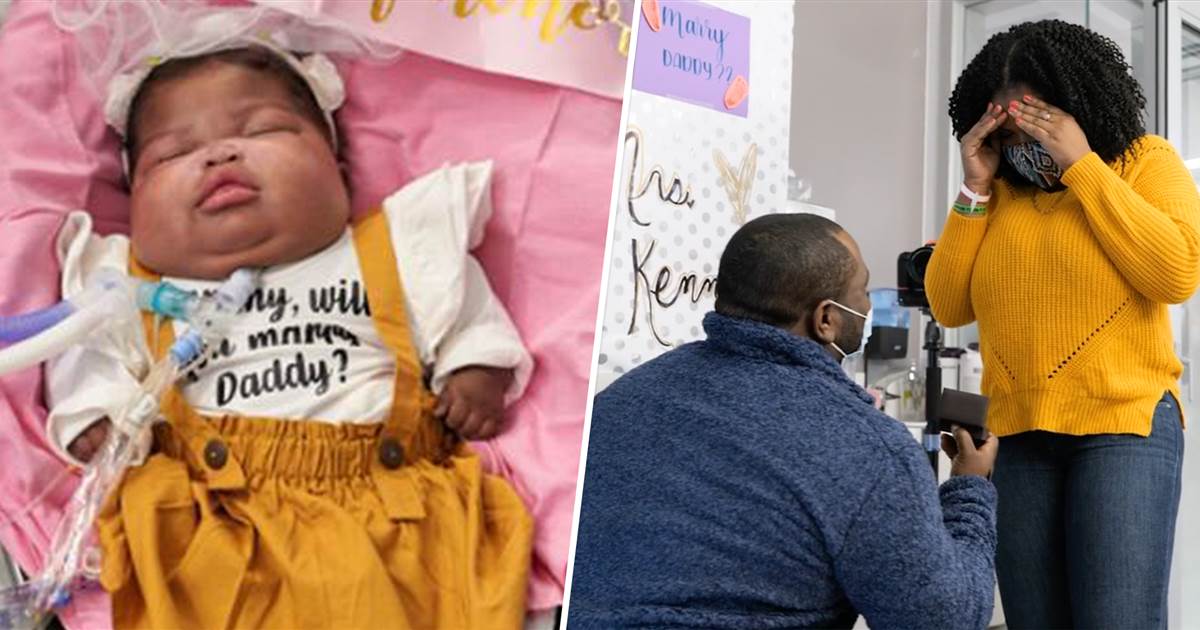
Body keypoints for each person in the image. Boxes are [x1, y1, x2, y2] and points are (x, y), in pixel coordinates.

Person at [44, 36, 534, 628]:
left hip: (395, 514)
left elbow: (463, 309)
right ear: (135, 201)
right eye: (173, 155)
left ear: (338, 167)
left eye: (262, 131)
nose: (219, 155)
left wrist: (476, 369)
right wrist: (96, 415)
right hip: (206, 523)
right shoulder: (125, 283)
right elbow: (82, 356)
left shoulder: (392, 246)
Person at [569, 213, 1000, 629]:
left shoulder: (614, 405)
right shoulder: (867, 447)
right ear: (826, 319)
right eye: (863, 291)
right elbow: (944, 618)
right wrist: (969, 488)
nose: (869, 305)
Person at [926, 19, 1199, 629]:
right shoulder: (999, 194)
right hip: (1020, 436)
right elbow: (949, 304)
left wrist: (1080, 162)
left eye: (1036, 117)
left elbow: (1176, 272)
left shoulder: (1142, 163)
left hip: (1123, 426)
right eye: (1005, 122)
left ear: (1075, 104)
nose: (1022, 135)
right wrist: (974, 188)